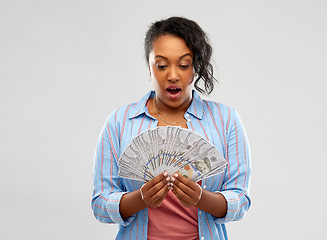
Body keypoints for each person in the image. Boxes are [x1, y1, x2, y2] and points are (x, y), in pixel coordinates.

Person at [91, 16, 251, 240]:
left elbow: (241, 200)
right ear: (149, 68)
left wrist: (201, 198)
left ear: (196, 68)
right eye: (162, 65)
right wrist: (140, 199)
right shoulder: (119, 122)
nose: (173, 75)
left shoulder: (226, 120)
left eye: (184, 65)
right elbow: (100, 203)